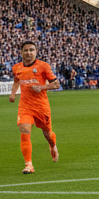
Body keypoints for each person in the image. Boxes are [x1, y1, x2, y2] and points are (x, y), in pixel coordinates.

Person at [9, 40, 60, 175]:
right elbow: (16, 81)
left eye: (32, 50)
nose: (29, 53)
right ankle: (28, 165)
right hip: (25, 105)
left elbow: (56, 84)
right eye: (26, 50)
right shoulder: (16, 68)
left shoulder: (43, 66)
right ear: (21, 52)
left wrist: (42, 87)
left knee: (48, 133)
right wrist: (13, 94)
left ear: (36, 52)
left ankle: (52, 145)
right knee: (24, 129)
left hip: (41, 106)